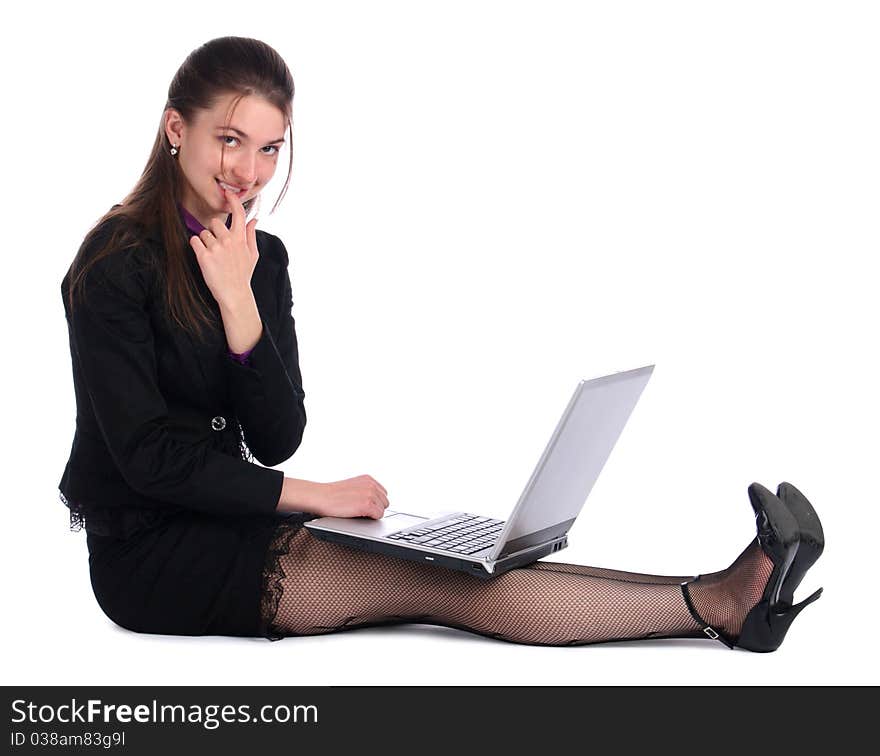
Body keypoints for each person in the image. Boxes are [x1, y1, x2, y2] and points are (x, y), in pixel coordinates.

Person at [59, 36, 824, 650]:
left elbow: (277, 435)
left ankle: (722, 595)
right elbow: (149, 460)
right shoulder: (111, 268)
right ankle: (722, 603)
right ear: (175, 128)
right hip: (149, 553)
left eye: (268, 149)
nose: (249, 173)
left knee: (461, 559)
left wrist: (240, 307)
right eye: (231, 140)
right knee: (447, 587)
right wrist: (316, 497)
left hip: (236, 517)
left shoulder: (264, 259)